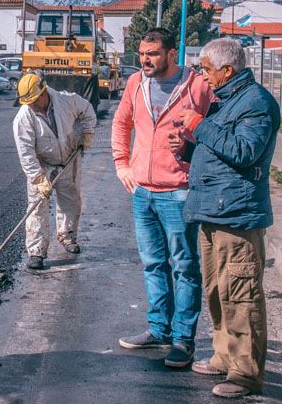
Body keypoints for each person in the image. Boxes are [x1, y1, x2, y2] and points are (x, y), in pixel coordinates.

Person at [174, 38, 279, 398]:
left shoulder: (257, 104)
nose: (202, 76)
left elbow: (245, 151)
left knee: (241, 295)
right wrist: (188, 148)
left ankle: (245, 373)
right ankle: (224, 355)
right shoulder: (228, 100)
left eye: (205, 69)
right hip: (213, 210)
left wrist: (199, 126)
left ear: (227, 70)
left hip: (237, 216)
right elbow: (222, 150)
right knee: (218, 291)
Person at [111, 27, 212, 368]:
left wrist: (190, 146)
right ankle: (158, 329)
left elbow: (216, 134)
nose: (145, 60)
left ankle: (183, 339)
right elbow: (121, 123)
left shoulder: (197, 86)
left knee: (184, 267)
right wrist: (122, 163)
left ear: (172, 54)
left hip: (178, 191)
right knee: (153, 264)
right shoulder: (135, 83)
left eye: (153, 54)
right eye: (142, 53)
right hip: (143, 192)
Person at [13, 72, 97, 270]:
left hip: (68, 158)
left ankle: (67, 236)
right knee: (37, 206)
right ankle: (36, 251)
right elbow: (26, 153)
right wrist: (38, 178)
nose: (31, 106)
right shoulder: (23, 118)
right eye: (28, 102)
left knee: (71, 200)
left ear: (43, 93)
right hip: (42, 163)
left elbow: (88, 110)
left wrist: (87, 133)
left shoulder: (66, 101)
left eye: (34, 101)